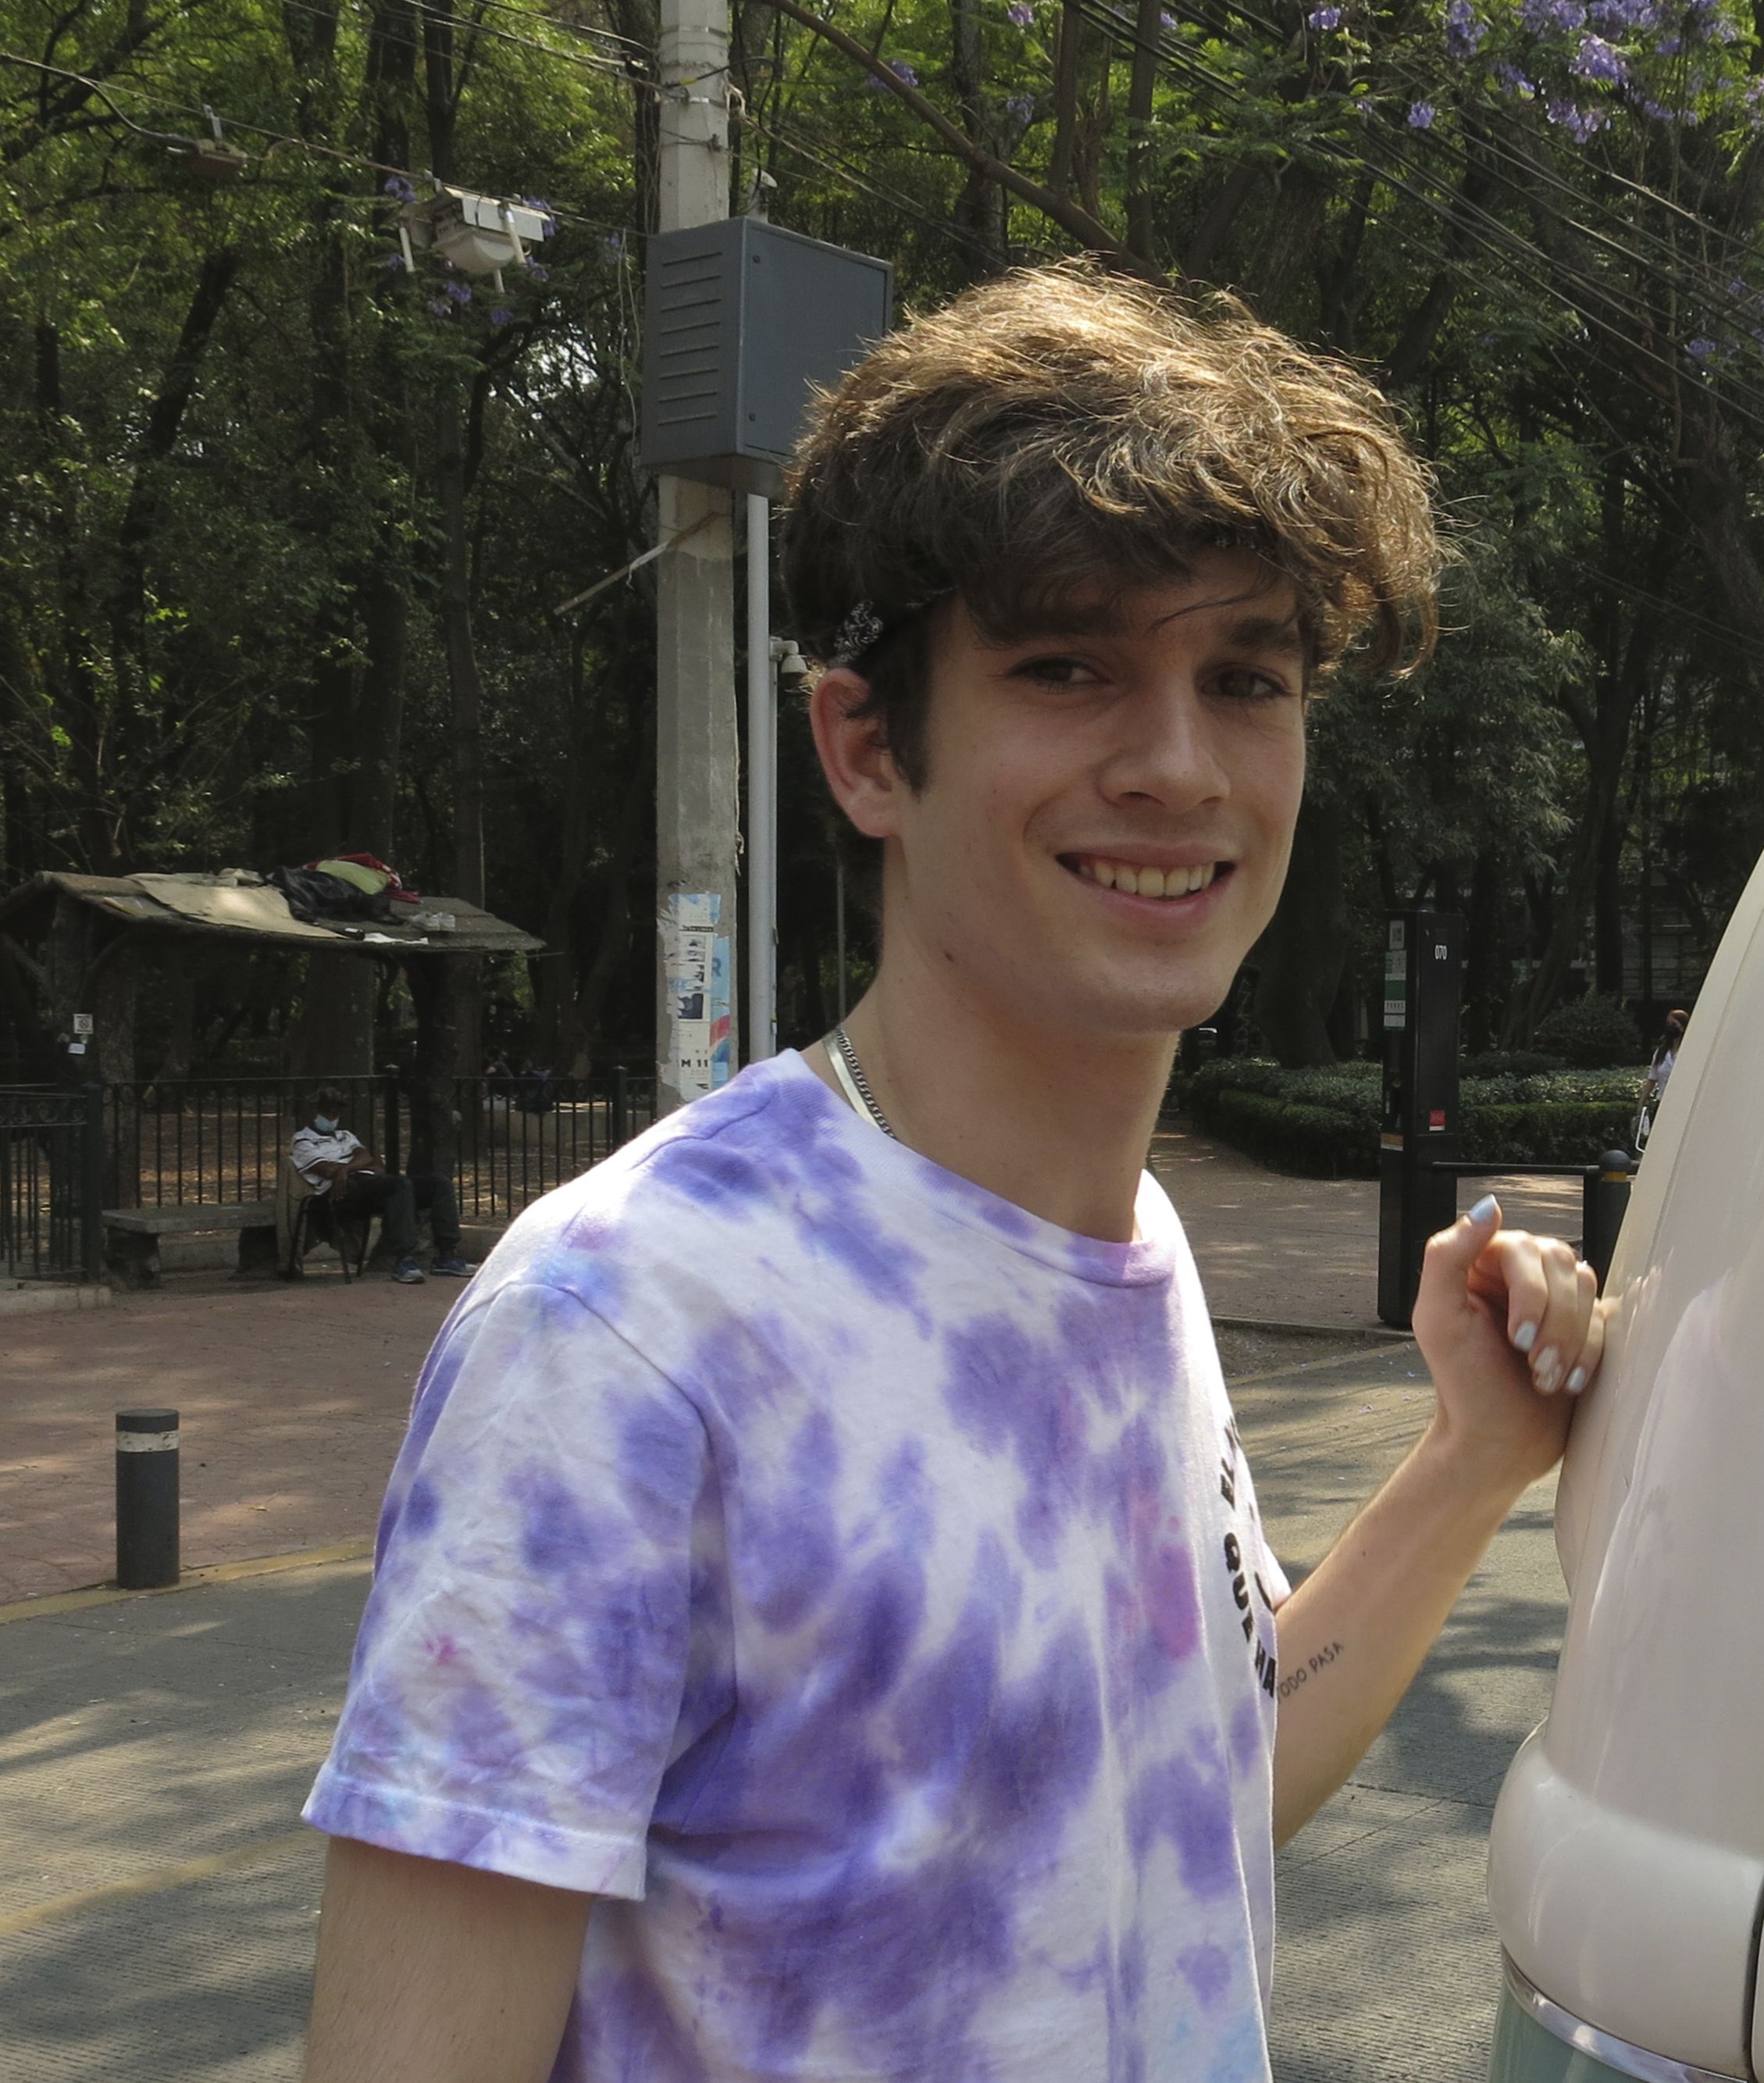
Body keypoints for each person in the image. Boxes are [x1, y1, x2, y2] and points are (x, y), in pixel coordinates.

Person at [294, 264, 1606, 2081]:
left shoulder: (1119, 1239)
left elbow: (1176, 1814)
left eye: (1245, 678)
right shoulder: (629, 1327)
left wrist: (1471, 1462)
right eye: (1066, 668)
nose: (1174, 765)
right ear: (864, 748)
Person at [287, 1088, 472, 1285]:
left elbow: (368, 1157)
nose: (332, 1115)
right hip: (340, 1193)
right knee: (398, 1185)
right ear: (314, 1111)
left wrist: (344, 1169)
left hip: (368, 1184)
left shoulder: (346, 1135)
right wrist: (351, 1168)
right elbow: (325, 1169)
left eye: (336, 1110)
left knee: (439, 1184)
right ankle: (404, 1260)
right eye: (327, 1110)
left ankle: (447, 1254)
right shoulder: (302, 1140)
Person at [1637, 1006, 1688, 1148]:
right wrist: (1642, 1101)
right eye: (1668, 1024)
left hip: (1683, 1104)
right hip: (1663, 1103)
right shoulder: (1661, 1053)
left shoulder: (1689, 1051)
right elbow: (1652, 1079)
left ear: (1683, 1028)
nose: (1670, 1028)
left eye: (1674, 1025)